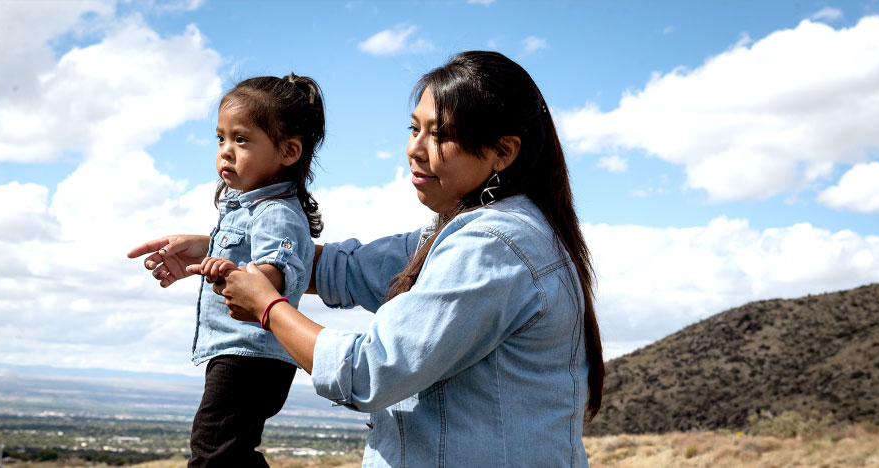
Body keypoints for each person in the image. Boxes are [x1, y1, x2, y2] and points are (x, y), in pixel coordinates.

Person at [152, 51, 603, 467]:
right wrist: (223, 247)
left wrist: (269, 309)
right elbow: (345, 270)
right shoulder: (456, 230)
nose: (415, 148)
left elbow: (371, 370)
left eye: (440, 134)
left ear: (504, 151)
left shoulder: (493, 246)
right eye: (414, 128)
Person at [126, 74, 327, 468]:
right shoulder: (248, 207)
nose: (226, 152)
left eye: (242, 139)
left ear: (288, 151)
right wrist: (209, 256)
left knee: (213, 455)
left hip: (251, 357)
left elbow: (274, 277)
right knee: (226, 453)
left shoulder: (276, 212)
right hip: (244, 355)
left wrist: (229, 269)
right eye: (221, 139)